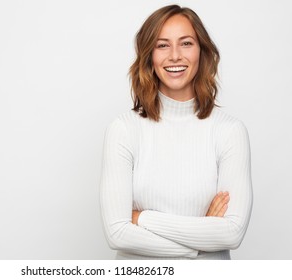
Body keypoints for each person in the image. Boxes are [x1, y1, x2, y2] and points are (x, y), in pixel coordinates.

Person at [99, 4, 253, 260]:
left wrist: (141, 218)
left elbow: (231, 233)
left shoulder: (229, 131)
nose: (174, 56)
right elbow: (117, 232)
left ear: (201, 52)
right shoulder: (124, 129)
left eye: (186, 43)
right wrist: (201, 241)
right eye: (162, 45)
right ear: (149, 55)